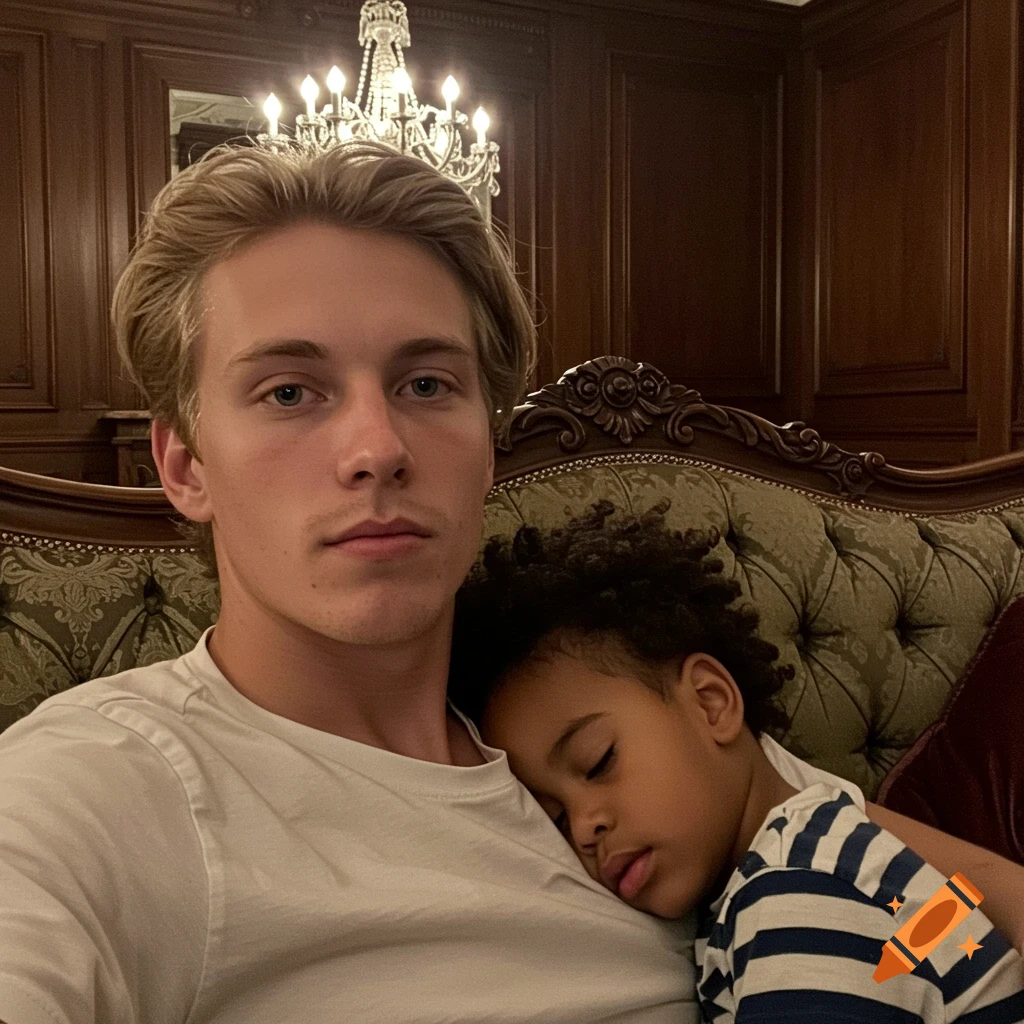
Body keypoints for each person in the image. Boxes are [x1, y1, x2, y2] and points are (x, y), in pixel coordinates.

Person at [0, 140, 1021, 1024]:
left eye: (427, 383)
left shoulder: (607, 702)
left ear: (486, 443)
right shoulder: (98, 790)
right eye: (289, 390)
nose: (376, 445)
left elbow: (950, 900)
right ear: (183, 465)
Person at [448, 499, 1024, 1022]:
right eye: (554, 818)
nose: (583, 826)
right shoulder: (828, 850)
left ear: (711, 701)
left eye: (598, 762)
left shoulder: (797, 897)